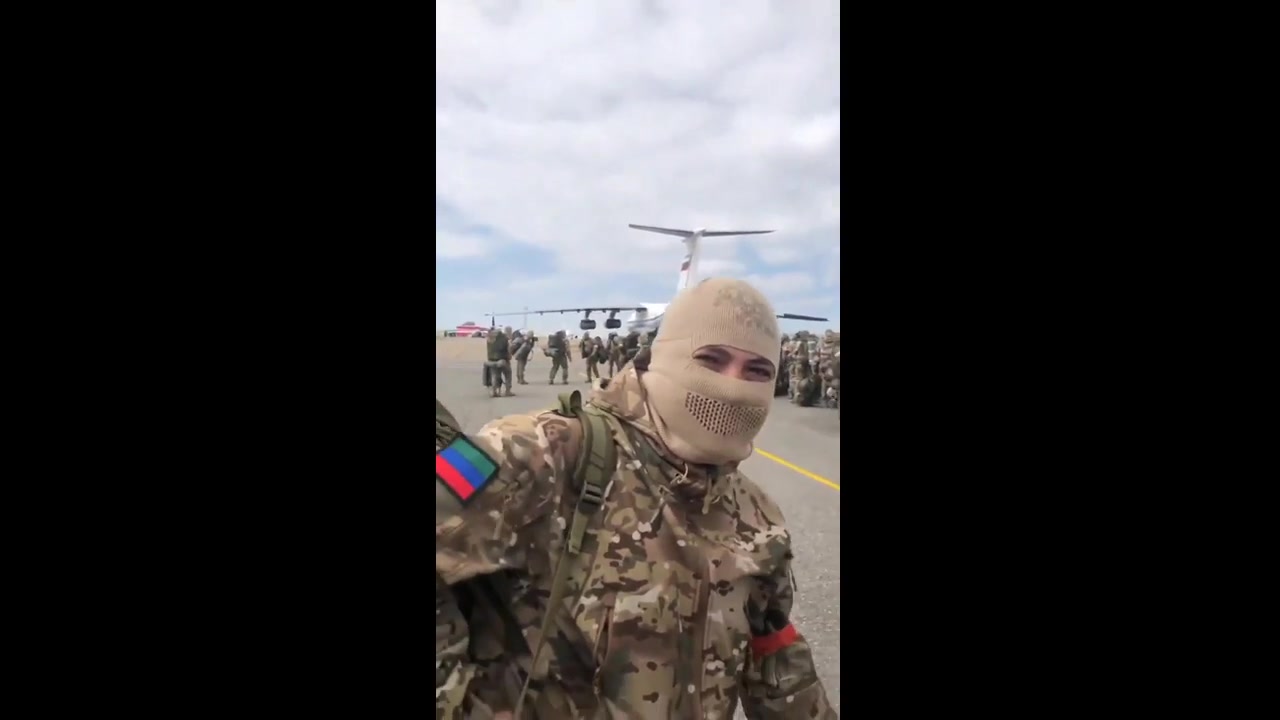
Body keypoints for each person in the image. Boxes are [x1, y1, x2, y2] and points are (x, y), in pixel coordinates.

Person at [436, 278, 836, 719]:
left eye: (757, 371)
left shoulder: (755, 516)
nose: (733, 386)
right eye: (711, 359)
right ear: (661, 357)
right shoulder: (543, 451)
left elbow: (777, 663)